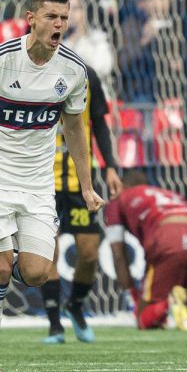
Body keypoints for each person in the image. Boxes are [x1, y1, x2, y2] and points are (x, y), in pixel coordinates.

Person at [0, 0, 104, 372]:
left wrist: (87, 186)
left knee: (36, 273)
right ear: (30, 18)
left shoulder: (73, 70)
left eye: (64, 18)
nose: (60, 25)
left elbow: (74, 128)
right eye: (52, 17)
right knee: (3, 268)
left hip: (38, 183)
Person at [40, 64, 122, 345]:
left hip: (79, 182)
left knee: (89, 253)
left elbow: (99, 122)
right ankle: (54, 327)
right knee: (47, 252)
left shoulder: (86, 73)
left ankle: (74, 305)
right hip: (42, 180)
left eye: (62, 19)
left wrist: (111, 165)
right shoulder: (27, 72)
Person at [106, 170, 187, 331]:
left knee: (144, 318)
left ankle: (169, 304)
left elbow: (118, 253)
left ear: (122, 185)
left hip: (169, 236)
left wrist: (136, 298)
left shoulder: (118, 198)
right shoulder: (168, 193)